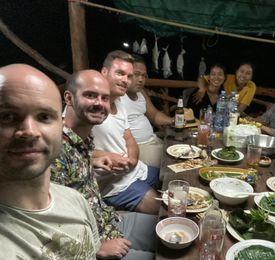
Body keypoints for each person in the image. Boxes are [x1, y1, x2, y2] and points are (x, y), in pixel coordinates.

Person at [51, 70, 157, 259]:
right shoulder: (54, 150)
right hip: (90, 243)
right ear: (68, 98)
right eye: (90, 95)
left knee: (173, 231)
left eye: (104, 98)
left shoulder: (85, 139)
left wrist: (93, 161)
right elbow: (49, 223)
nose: (99, 103)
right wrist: (96, 248)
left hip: (108, 219)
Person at [0, 64, 100, 258]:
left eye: (44, 117)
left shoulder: (76, 201)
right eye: (7, 117)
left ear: (60, 126)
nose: (29, 131)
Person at [92, 50, 160, 215]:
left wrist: (132, 159)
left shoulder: (120, 102)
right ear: (104, 72)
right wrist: (114, 158)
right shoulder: (88, 104)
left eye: (129, 76)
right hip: (113, 183)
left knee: (171, 178)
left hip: (136, 169)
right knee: (161, 208)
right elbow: (70, 148)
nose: (125, 80)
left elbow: (129, 138)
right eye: (120, 73)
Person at [120, 55, 173, 168]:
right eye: (136, 74)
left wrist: (173, 120)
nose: (141, 79)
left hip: (153, 139)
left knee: (177, 150)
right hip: (138, 147)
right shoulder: (118, 96)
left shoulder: (141, 92)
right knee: (171, 163)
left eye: (144, 76)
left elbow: (154, 115)